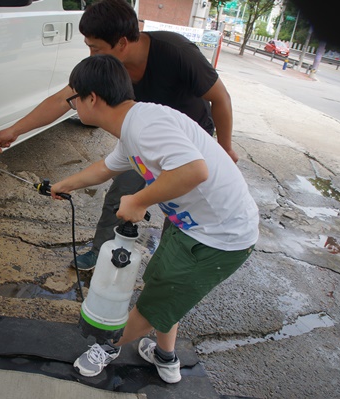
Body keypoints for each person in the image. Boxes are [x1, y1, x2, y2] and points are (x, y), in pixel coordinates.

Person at [50, 54, 258, 382]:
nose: (73, 106)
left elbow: (194, 170)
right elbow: (105, 168)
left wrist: (138, 199)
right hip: (190, 224)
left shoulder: (145, 126)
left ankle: (108, 345)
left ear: (91, 98)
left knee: (154, 305)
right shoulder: (135, 125)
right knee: (161, 287)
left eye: (73, 99)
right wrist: (65, 184)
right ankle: (165, 356)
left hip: (219, 239)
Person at [0, 0, 236, 270]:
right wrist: (15, 130)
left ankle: (167, 264)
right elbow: (63, 99)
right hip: (140, 136)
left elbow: (220, 99)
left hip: (189, 141)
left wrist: (225, 148)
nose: (92, 55)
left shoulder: (177, 53)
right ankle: (102, 251)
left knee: (178, 206)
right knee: (119, 196)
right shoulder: (109, 68)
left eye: (95, 48)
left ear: (122, 43)